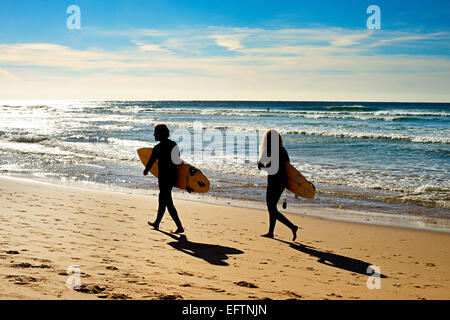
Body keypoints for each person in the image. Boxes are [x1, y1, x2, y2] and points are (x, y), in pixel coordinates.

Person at [257, 129, 298, 241]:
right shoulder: (283, 150)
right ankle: (271, 232)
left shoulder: (269, 150)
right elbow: (288, 166)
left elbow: (261, 166)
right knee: (272, 207)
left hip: (273, 182)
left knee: (271, 208)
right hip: (282, 182)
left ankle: (292, 227)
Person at [144, 124, 184, 234]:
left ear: (161, 133)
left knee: (167, 201)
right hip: (171, 177)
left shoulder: (157, 148)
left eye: (155, 132)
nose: (154, 134)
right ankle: (157, 222)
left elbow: (151, 161)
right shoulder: (173, 145)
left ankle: (179, 226)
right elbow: (178, 161)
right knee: (162, 199)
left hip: (164, 177)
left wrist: (146, 170)